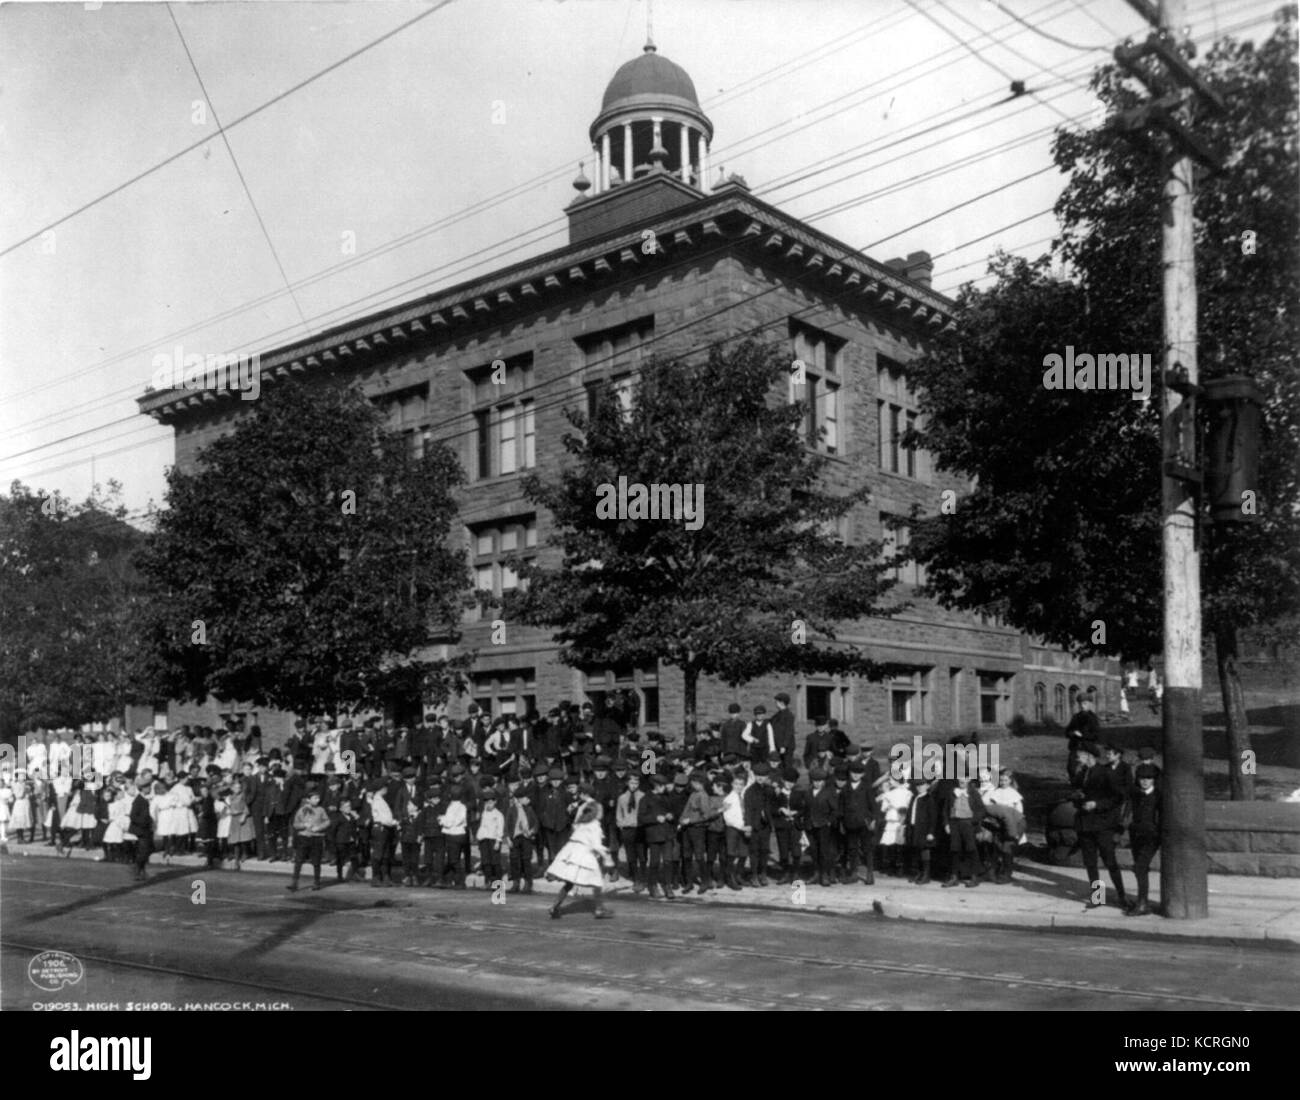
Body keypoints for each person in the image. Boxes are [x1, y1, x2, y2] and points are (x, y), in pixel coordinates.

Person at [1072, 742, 1130, 910]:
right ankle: (1097, 897)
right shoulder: (1082, 772)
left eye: (1080, 755)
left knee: (1110, 861)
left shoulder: (1105, 773)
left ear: (1090, 756)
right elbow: (1077, 789)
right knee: (1090, 863)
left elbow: (1118, 798)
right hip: (1085, 824)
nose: (1077, 758)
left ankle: (1122, 896)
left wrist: (1097, 804)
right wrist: (1078, 797)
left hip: (1103, 824)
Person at [546, 798, 614, 919]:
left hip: (571, 852)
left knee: (569, 882)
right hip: (583, 853)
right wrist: (607, 856)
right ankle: (599, 909)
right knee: (597, 881)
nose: (602, 812)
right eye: (600, 810)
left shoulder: (581, 823)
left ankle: (555, 906)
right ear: (596, 812)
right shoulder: (595, 826)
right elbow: (596, 845)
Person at [1127, 763, 1161, 916]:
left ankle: (1142, 903)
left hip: (1152, 837)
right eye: (1142, 778)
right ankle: (1143, 900)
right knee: (1141, 869)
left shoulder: (1158, 796)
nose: (1145, 781)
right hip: (1136, 836)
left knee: (1139, 867)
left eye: (1149, 778)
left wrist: (1156, 832)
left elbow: (1161, 818)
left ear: (1154, 780)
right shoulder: (1135, 794)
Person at [939, 776, 985, 888]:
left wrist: (972, 821)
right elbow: (945, 810)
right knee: (954, 849)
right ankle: (954, 877)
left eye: (965, 778)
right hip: (954, 824)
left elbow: (981, 810)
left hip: (968, 824)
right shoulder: (952, 792)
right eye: (960, 778)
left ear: (969, 780)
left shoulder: (973, 793)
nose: (962, 781)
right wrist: (946, 824)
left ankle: (974, 876)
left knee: (971, 849)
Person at [982, 769, 1025, 883]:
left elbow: (1017, 813)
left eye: (1005, 780)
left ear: (1010, 781)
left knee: (1007, 848)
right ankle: (995, 870)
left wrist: (1013, 832)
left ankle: (1007, 873)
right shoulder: (995, 792)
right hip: (1000, 823)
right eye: (1001, 780)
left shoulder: (1014, 794)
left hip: (1013, 823)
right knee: (996, 846)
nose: (1003, 782)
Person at [638, 772, 676, 899]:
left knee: (668, 861)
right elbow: (641, 818)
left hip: (667, 834)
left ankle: (668, 885)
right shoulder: (645, 799)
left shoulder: (666, 797)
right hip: (654, 835)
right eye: (662, 786)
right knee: (654, 862)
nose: (665, 788)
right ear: (656, 786)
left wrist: (671, 816)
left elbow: (672, 811)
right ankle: (652, 885)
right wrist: (655, 818)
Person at [287, 789, 330, 891]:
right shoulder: (302, 810)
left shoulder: (321, 810)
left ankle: (317, 882)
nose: (317, 800)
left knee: (316, 861)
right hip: (304, 837)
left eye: (318, 798)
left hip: (317, 837)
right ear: (308, 800)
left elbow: (327, 821)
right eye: (315, 798)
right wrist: (303, 825)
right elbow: (295, 824)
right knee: (299, 860)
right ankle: (294, 882)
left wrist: (319, 827)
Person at [840, 761, 875, 884]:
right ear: (850, 773)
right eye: (853, 773)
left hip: (864, 822)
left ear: (863, 774)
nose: (855, 775)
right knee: (852, 848)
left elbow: (873, 805)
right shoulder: (845, 788)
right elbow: (842, 806)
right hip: (850, 823)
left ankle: (869, 873)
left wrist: (872, 820)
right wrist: (842, 822)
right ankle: (854, 873)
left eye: (859, 773)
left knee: (867, 848)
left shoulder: (867, 787)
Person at [806, 767, 840, 887]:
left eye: (820, 781)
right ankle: (816, 873)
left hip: (823, 826)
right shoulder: (808, 792)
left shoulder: (829, 793)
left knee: (824, 851)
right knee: (813, 850)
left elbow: (835, 810)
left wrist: (829, 821)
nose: (817, 783)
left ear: (824, 781)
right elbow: (806, 809)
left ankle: (825, 874)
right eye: (815, 781)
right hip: (810, 826)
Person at [506, 782, 539, 894]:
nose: (526, 800)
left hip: (526, 838)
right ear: (518, 799)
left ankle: (528, 882)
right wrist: (508, 838)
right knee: (514, 860)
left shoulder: (529, 810)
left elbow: (535, 824)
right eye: (524, 798)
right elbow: (507, 825)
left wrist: (532, 831)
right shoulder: (512, 810)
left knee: (526, 860)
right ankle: (516, 882)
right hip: (515, 837)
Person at [615, 773, 646, 890]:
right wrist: (622, 824)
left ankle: (642, 878)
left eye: (636, 783)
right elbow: (619, 815)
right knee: (631, 855)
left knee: (642, 855)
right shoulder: (622, 798)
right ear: (627, 783)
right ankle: (636, 879)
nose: (634, 785)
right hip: (628, 830)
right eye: (632, 783)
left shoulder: (643, 796)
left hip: (640, 829)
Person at [906, 778, 938, 884]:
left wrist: (931, 832)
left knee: (925, 850)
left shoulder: (929, 799)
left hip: (924, 829)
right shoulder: (914, 798)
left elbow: (933, 817)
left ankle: (926, 874)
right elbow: (910, 813)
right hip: (914, 828)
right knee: (916, 851)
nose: (919, 787)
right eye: (917, 785)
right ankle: (918, 872)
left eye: (922, 785)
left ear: (927, 786)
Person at [476, 790, 506, 888]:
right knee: (486, 861)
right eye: (486, 802)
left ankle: (498, 883)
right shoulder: (484, 813)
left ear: (495, 802)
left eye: (490, 802)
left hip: (494, 839)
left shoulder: (498, 815)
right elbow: (482, 826)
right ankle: (488, 881)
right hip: (484, 839)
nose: (488, 805)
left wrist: (498, 841)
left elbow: (500, 829)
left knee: (495, 862)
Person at [128, 774, 155, 881]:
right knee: (144, 851)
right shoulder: (138, 800)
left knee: (147, 850)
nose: (149, 789)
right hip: (141, 830)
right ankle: (137, 869)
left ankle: (141, 870)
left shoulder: (145, 799)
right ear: (142, 789)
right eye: (147, 787)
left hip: (146, 829)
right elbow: (133, 816)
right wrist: (144, 822)